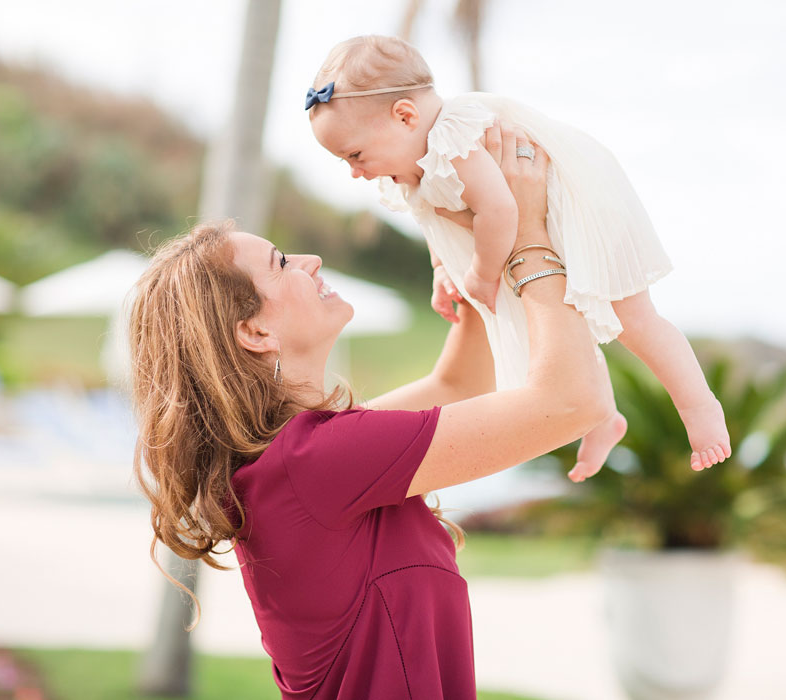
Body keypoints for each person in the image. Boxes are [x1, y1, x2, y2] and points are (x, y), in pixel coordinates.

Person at [128, 127, 610, 699]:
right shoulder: (315, 462)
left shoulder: (300, 459)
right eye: (282, 263)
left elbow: (457, 385)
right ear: (255, 331)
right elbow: (572, 403)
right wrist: (529, 234)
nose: (311, 260)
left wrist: (470, 265)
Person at [306, 34, 731, 475]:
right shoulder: (409, 160)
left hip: (574, 209)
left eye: (355, 155)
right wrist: (440, 269)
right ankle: (603, 418)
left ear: (406, 115)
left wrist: (483, 274)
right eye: (346, 162)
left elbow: (501, 207)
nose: (355, 172)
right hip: (526, 227)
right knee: (556, 327)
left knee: (634, 318)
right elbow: (429, 214)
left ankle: (699, 407)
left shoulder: (458, 137)